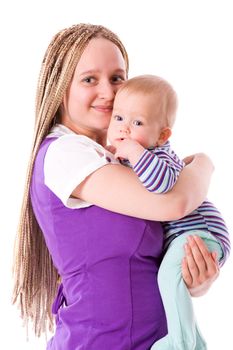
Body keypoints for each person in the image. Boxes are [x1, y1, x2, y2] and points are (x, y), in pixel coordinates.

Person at [12, 24, 219, 350]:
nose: (108, 92)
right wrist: (205, 164)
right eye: (89, 79)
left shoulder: (122, 161)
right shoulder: (65, 153)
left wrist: (196, 279)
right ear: (61, 86)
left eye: (117, 78)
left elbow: (148, 258)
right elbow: (176, 203)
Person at [107, 74, 230, 350]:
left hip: (199, 231)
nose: (124, 129)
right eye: (118, 118)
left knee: (167, 277)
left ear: (162, 135)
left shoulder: (159, 156)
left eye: (137, 122)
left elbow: (162, 184)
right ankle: (195, 343)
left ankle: (179, 342)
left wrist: (133, 152)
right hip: (188, 236)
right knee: (173, 281)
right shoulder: (136, 154)